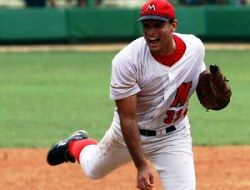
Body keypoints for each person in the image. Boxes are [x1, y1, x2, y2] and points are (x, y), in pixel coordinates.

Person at [47, 0, 208, 189]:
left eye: (158, 25)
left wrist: (214, 94)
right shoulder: (127, 61)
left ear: (173, 25)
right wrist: (141, 165)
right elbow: (128, 118)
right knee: (93, 170)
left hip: (173, 136)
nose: (150, 32)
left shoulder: (194, 48)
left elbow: (202, 79)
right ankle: (75, 145)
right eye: (146, 26)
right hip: (129, 134)